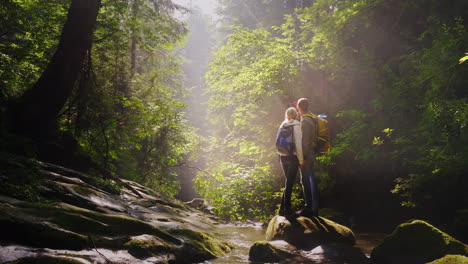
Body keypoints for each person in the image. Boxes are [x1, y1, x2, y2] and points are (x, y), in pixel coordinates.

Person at [278, 107, 304, 217]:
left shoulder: (283, 125)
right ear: (296, 115)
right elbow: (298, 145)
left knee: (288, 182)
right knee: (290, 183)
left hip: (282, 156)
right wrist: (301, 160)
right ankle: (287, 210)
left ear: (287, 115)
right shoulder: (297, 125)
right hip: (292, 157)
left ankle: (282, 209)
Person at [296, 98, 319, 217]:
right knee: (312, 180)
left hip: (307, 155)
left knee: (305, 180)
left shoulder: (305, 121)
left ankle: (308, 208)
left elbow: (304, 142)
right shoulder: (313, 119)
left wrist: (302, 158)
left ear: (299, 107)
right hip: (312, 153)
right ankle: (314, 209)